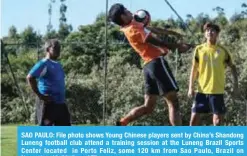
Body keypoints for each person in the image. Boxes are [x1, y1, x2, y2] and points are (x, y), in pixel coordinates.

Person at [108, 3, 193, 126]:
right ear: (123, 17)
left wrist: (173, 33)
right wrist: (177, 47)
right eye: (126, 11)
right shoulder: (133, 28)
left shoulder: (130, 27)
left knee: (148, 106)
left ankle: (123, 122)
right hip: (156, 62)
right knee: (173, 101)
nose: (129, 11)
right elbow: (155, 41)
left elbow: (154, 30)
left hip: (148, 67)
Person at [188, 22, 238, 126]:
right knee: (193, 122)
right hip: (201, 90)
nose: (209, 32)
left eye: (212, 30)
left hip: (217, 91)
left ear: (217, 33)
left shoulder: (223, 50)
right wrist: (190, 87)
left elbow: (233, 67)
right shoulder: (199, 49)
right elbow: (194, 69)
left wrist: (235, 86)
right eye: (207, 30)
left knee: (218, 122)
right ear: (204, 34)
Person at [26, 39, 71, 126]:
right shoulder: (43, 63)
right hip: (48, 104)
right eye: (55, 48)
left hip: (61, 104)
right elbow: (30, 77)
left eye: (59, 48)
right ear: (47, 49)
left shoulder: (58, 65)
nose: (58, 50)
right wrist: (40, 95)